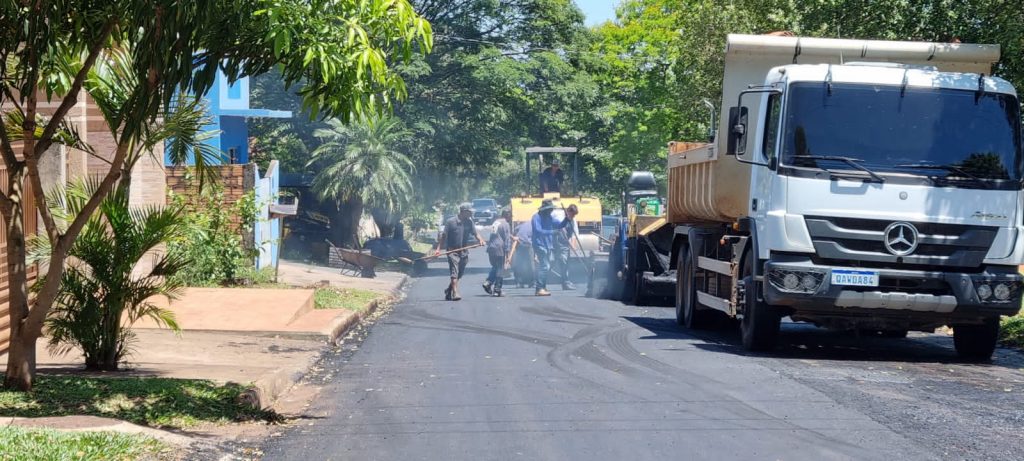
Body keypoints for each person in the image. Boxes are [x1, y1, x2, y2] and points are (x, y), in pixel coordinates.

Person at [435, 203, 483, 301]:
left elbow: (475, 233)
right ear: (464, 212)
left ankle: (448, 290)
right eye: (469, 212)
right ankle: (455, 293)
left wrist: (480, 240)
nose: (471, 214)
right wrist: (438, 249)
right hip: (452, 251)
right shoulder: (451, 222)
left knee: (459, 274)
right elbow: (443, 236)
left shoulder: (469, 222)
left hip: (464, 251)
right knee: (454, 272)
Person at [531, 199, 570, 296]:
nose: (551, 211)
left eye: (551, 209)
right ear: (544, 209)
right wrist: (552, 232)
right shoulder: (536, 217)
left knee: (546, 267)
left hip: (547, 245)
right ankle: (539, 288)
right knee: (545, 266)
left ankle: (542, 287)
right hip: (539, 244)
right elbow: (538, 231)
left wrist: (566, 219)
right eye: (549, 209)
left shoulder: (549, 217)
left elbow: (560, 225)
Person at [484, 209, 513, 296]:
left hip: (491, 248)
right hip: (499, 249)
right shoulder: (506, 224)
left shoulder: (495, 222)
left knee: (495, 267)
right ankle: (497, 289)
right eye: (510, 216)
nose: (511, 218)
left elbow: (494, 235)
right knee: (500, 269)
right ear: (507, 215)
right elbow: (507, 240)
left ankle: (488, 283)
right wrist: (508, 254)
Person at [552, 204, 580, 290]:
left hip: (565, 244)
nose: (573, 216)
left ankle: (565, 281)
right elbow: (561, 231)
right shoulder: (560, 217)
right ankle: (565, 282)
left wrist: (573, 247)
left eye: (574, 215)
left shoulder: (573, 220)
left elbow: (574, 234)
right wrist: (568, 244)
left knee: (564, 262)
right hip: (558, 243)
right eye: (572, 214)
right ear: (568, 211)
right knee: (564, 263)